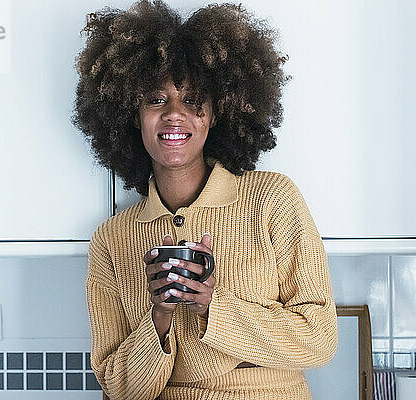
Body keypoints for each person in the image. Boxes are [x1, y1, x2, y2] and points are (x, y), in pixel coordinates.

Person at [71, 1, 338, 399]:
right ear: (132, 115)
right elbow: (120, 389)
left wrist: (215, 308)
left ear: (215, 114)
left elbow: (320, 339)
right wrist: (159, 318)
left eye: (194, 100)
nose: (175, 115)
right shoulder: (112, 240)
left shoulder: (272, 200)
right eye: (156, 100)